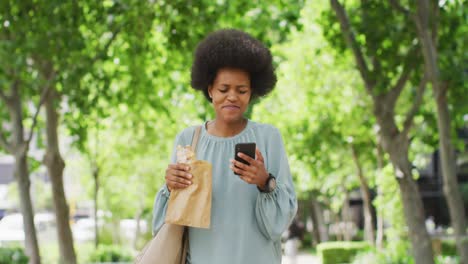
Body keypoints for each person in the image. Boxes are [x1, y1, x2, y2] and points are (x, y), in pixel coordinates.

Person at [152, 29, 297, 264]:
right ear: (210, 90)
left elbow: (279, 224)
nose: (232, 97)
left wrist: (264, 182)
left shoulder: (269, 138)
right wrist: (170, 188)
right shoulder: (188, 139)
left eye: (242, 90)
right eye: (223, 89)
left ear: (252, 93)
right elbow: (163, 225)